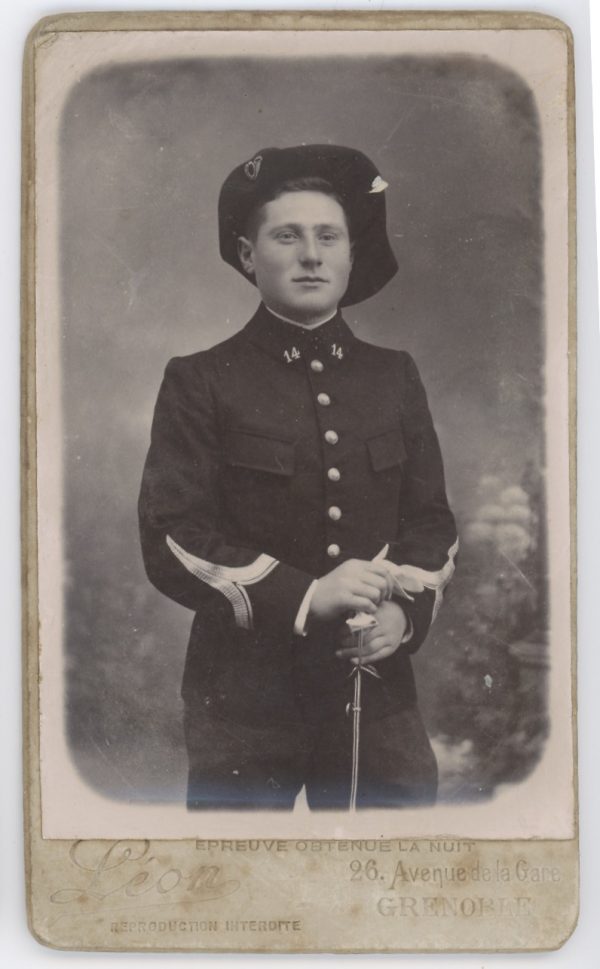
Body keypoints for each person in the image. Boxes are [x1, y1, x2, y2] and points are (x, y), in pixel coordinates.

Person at [138, 144, 457, 811]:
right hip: (245, 699)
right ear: (250, 256)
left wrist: (405, 614)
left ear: (350, 253)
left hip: (374, 688)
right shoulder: (199, 380)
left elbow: (431, 523)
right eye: (287, 235)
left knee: (389, 887)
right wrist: (307, 596)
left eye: (328, 236)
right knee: (241, 888)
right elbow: (173, 536)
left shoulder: (394, 376)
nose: (311, 255)